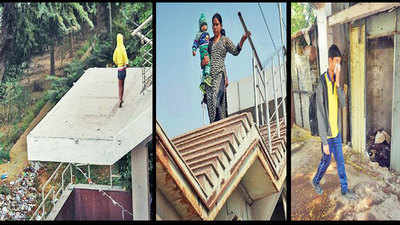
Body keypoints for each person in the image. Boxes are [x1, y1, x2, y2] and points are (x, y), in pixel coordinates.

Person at [312, 44, 357, 200]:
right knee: (326, 161)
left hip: (336, 132)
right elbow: (320, 114)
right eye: (336, 62)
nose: (338, 65)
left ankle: (345, 189)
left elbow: (343, 105)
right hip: (327, 134)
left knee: (341, 161)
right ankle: (316, 180)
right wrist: (324, 141)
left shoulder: (335, 82)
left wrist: (338, 85)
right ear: (330, 61)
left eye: (339, 62)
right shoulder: (321, 84)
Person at [201, 13, 250, 123]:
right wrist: (203, 62)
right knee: (211, 107)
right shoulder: (208, 43)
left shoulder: (225, 40)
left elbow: (235, 51)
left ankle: (221, 125)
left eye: (217, 24)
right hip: (209, 78)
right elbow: (203, 63)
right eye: (213, 25)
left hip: (219, 74)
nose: (214, 27)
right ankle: (216, 128)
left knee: (216, 99)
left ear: (221, 26)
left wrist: (242, 39)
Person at [192, 13, 212, 94]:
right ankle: (207, 76)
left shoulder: (207, 33)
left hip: (208, 49)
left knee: (204, 67)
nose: (204, 27)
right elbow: (195, 42)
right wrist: (194, 49)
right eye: (202, 25)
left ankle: (203, 83)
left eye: (205, 25)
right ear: (200, 26)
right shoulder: (199, 34)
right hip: (203, 49)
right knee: (207, 63)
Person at [113, 33, 128, 108]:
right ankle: (121, 99)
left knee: (119, 86)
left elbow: (114, 59)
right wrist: (126, 63)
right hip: (123, 69)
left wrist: (117, 63)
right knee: (123, 85)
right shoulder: (122, 48)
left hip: (119, 69)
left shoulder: (116, 49)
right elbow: (125, 57)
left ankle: (119, 99)